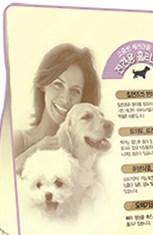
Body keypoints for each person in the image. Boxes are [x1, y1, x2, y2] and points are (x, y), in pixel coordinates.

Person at [14, 43, 100, 171]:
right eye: (58, 84)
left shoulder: (89, 151)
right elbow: (3, 177)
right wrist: (34, 151)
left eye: (75, 91)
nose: (65, 99)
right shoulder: (20, 139)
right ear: (44, 84)